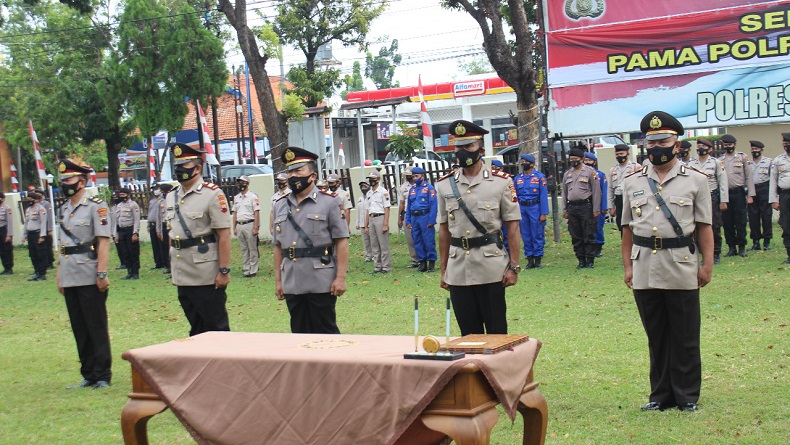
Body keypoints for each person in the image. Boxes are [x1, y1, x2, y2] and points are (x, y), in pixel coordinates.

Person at [622, 111, 713, 413]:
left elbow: (704, 227)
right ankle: (660, 395)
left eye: (664, 140)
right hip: (644, 265)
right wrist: (627, 266)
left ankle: (686, 395)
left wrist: (707, 265)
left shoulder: (696, 180)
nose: (657, 146)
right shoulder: (632, 180)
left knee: (685, 334)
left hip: (682, 263)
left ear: (677, 143)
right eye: (652, 141)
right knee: (656, 335)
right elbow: (626, 229)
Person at [436, 120, 521, 335]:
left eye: (469, 146)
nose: (463, 152)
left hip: (491, 268)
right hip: (458, 269)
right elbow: (444, 230)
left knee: (496, 333)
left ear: (481, 149)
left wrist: (514, 266)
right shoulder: (444, 184)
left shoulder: (501, 182)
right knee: (468, 335)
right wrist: (444, 269)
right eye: (458, 147)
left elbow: (513, 227)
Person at [272, 146, 350, 333]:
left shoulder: (330, 202)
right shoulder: (280, 204)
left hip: (320, 280)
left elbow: (342, 240)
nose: (293, 176)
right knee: (298, 332)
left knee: (326, 332)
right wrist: (278, 281)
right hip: (292, 279)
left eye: (298, 170)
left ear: (313, 175)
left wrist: (340, 277)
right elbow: (277, 246)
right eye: (290, 171)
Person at [55, 158, 113, 390]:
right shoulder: (64, 209)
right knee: (79, 326)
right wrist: (59, 273)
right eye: (62, 180)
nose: (65, 184)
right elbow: (62, 245)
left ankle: (102, 374)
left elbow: (103, 242)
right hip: (70, 273)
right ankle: (88, 373)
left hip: (89, 273)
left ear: (82, 181)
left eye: (69, 179)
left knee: (95, 325)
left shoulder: (96, 206)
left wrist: (101, 273)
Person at [164, 142, 232, 336]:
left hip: (206, 272)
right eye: (177, 165)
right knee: (195, 328)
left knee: (216, 328)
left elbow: (224, 235)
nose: (178, 170)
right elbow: (173, 234)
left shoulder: (212, 194)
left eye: (183, 165)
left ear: (197, 168)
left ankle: (221, 366)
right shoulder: (171, 196)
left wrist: (224, 270)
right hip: (182, 271)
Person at [688, 139, 728, 265]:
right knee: (695, 226)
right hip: (694, 198)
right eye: (699, 146)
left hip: (712, 196)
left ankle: (715, 253)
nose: (701, 148)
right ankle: (699, 252)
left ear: (710, 149)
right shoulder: (690, 163)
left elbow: (722, 181)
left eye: (704, 146)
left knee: (714, 225)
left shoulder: (716, 163)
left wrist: (724, 200)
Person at [562, 147, 602, 269]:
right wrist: (564, 209)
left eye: (576, 159)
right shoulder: (567, 174)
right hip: (572, 208)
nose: (573, 161)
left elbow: (596, 191)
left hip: (586, 207)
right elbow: (564, 193)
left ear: (582, 159)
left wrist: (596, 209)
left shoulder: (590, 172)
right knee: (576, 235)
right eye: (571, 159)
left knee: (588, 234)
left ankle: (590, 260)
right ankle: (581, 259)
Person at [719, 134, 755, 258]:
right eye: (725, 145)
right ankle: (731, 247)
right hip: (725, 194)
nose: (727, 147)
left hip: (739, 192)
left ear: (734, 145)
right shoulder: (720, 160)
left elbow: (749, 177)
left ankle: (741, 247)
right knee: (727, 222)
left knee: (740, 221)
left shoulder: (742, 157)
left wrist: (750, 195)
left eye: (730, 145)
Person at [513, 154, 548, 269]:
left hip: (535, 208)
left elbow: (543, 196)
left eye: (526, 162)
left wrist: (543, 213)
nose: (524, 163)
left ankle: (537, 259)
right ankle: (529, 259)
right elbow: (514, 196)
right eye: (522, 161)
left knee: (537, 233)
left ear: (532, 164)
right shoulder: (518, 179)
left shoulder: (539, 177)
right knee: (526, 234)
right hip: (522, 209)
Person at [405, 166, 437, 272]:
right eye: (413, 176)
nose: (414, 178)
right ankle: (422, 263)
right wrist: (408, 220)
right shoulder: (412, 190)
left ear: (422, 176)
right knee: (417, 241)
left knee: (428, 241)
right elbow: (409, 206)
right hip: (414, 217)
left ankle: (431, 263)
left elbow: (433, 205)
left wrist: (431, 220)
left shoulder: (429, 188)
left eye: (417, 176)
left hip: (425, 216)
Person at [609, 144, 642, 234]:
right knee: (621, 223)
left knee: (634, 222)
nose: (619, 156)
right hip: (619, 199)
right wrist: (611, 206)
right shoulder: (613, 170)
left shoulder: (636, 167)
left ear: (627, 154)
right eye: (617, 154)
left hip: (632, 199)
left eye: (621, 154)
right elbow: (610, 189)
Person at [232, 175, 260, 278]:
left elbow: (256, 212)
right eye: (239, 182)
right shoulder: (237, 198)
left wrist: (256, 227)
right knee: (244, 249)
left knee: (252, 248)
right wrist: (234, 227)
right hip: (240, 225)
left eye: (243, 182)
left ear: (247, 184)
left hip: (250, 224)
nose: (241, 185)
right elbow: (235, 213)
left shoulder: (253, 197)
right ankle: (246, 270)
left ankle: (253, 270)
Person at [365, 170, 391, 274]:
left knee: (383, 244)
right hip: (371, 218)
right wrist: (366, 225)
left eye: (373, 179)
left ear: (378, 180)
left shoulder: (383, 192)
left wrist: (385, 224)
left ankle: (386, 266)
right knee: (374, 244)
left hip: (380, 217)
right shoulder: (369, 193)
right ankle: (377, 266)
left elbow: (387, 208)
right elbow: (367, 209)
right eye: (370, 179)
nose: (371, 181)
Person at [747, 140, 772, 251]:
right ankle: (756, 241)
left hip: (764, 189)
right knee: (753, 217)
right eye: (753, 149)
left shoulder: (768, 162)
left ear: (761, 150)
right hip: (752, 190)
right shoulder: (748, 163)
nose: (754, 151)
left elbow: (772, 178)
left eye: (756, 149)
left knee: (766, 216)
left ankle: (767, 241)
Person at [769, 133, 790, 264]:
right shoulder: (778, 160)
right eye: (785, 144)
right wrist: (774, 200)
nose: (786, 146)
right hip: (785, 196)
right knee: (787, 225)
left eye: (788, 143)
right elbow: (773, 181)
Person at [584, 152, 609, 258]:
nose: (587, 163)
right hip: (585, 206)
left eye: (589, 160)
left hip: (597, 206)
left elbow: (604, 192)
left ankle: (598, 247)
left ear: (594, 162)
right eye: (585, 161)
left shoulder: (600, 175)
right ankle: (588, 248)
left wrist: (604, 207)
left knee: (598, 227)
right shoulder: (580, 175)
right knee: (586, 228)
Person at [113, 188, 141, 279]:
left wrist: (135, 233)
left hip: (130, 230)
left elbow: (136, 220)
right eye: (120, 195)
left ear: (128, 195)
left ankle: (135, 273)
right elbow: (116, 221)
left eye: (124, 195)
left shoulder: (133, 205)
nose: (122, 196)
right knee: (125, 252)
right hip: (121, 231)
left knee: (133, 252)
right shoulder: (119, 206)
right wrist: (115, 234)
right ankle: (129, 272)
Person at [22, 191, 48, 281]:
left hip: (38, 233)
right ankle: (36, 272)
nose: (29, 201)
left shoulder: (41, 209)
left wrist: (42, 236)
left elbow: (43, 223)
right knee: (32, 254)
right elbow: (26, 223)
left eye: (31, 199)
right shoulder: (28, 210)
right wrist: (24, 235)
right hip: (30, 234)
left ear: (36, 200)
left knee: (40, 254)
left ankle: (42, 273)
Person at [397, 168, 420, 268]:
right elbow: (402, 203)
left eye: (409, 175)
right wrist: (399, 217)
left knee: (420, 236)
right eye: (406, 175)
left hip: (419, 214)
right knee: (410, 238)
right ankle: (415, 260)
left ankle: (423, 258)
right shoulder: (403, 187)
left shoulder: (420, 184)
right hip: (408, 213)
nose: (407, 177)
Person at [155, 183, 174, 275]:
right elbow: (158, 216)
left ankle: (173, 267)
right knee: (165, 247)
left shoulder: (174, 199)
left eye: (162, 191)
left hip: (172, 225)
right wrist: (158, 230)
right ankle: (168, 266)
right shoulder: (161, 202)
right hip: (164, 225)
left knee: (172, 247)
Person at [147, 183, 166, 270]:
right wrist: (148, 224)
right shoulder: (152, 201)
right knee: (155, 245)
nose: (155, 191)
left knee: (161, 244)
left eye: (156, 188)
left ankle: (164, 262)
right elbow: (149, 213)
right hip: (152, 224)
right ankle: (158, 263)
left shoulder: (163, 200)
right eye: (154, 189)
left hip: (160, 224)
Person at [35, 188, 55, 270]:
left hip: (46, 228)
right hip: (39, 228)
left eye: (38, 194)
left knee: (47, 247)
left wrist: (49, 229)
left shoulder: (46, 204)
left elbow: (49, 217)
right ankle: (43, 262)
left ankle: (50, 262)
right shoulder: (35, 205)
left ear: (42, 195)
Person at [356, 181, 373, 262]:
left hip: (370, 222)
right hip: (362, 223)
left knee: (372, 240)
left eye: (365, 187)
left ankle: (374, 255)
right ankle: (368, 255)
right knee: (365, 241)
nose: (363, 189)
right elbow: (358, 212)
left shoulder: (371, 196)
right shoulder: (360, 198)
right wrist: (357, 222)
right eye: (362, 187)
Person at [110, 191, 127, 270]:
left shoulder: (124, 206)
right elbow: (112, 221)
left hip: (122, 228)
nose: (115, 199)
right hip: (115, 229)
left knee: (125, 247)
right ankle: (122, 262)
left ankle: (127, 262)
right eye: (114, 198)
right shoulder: (113, 208)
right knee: (119, 247)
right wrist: (113, 233)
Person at [0, 192, 14, 275]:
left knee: (6, 249)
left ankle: (9, 268)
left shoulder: (7, 208)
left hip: (4, 229)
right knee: (1, 250)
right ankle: (5, 267)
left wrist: (9, 235)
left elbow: (10, 222)